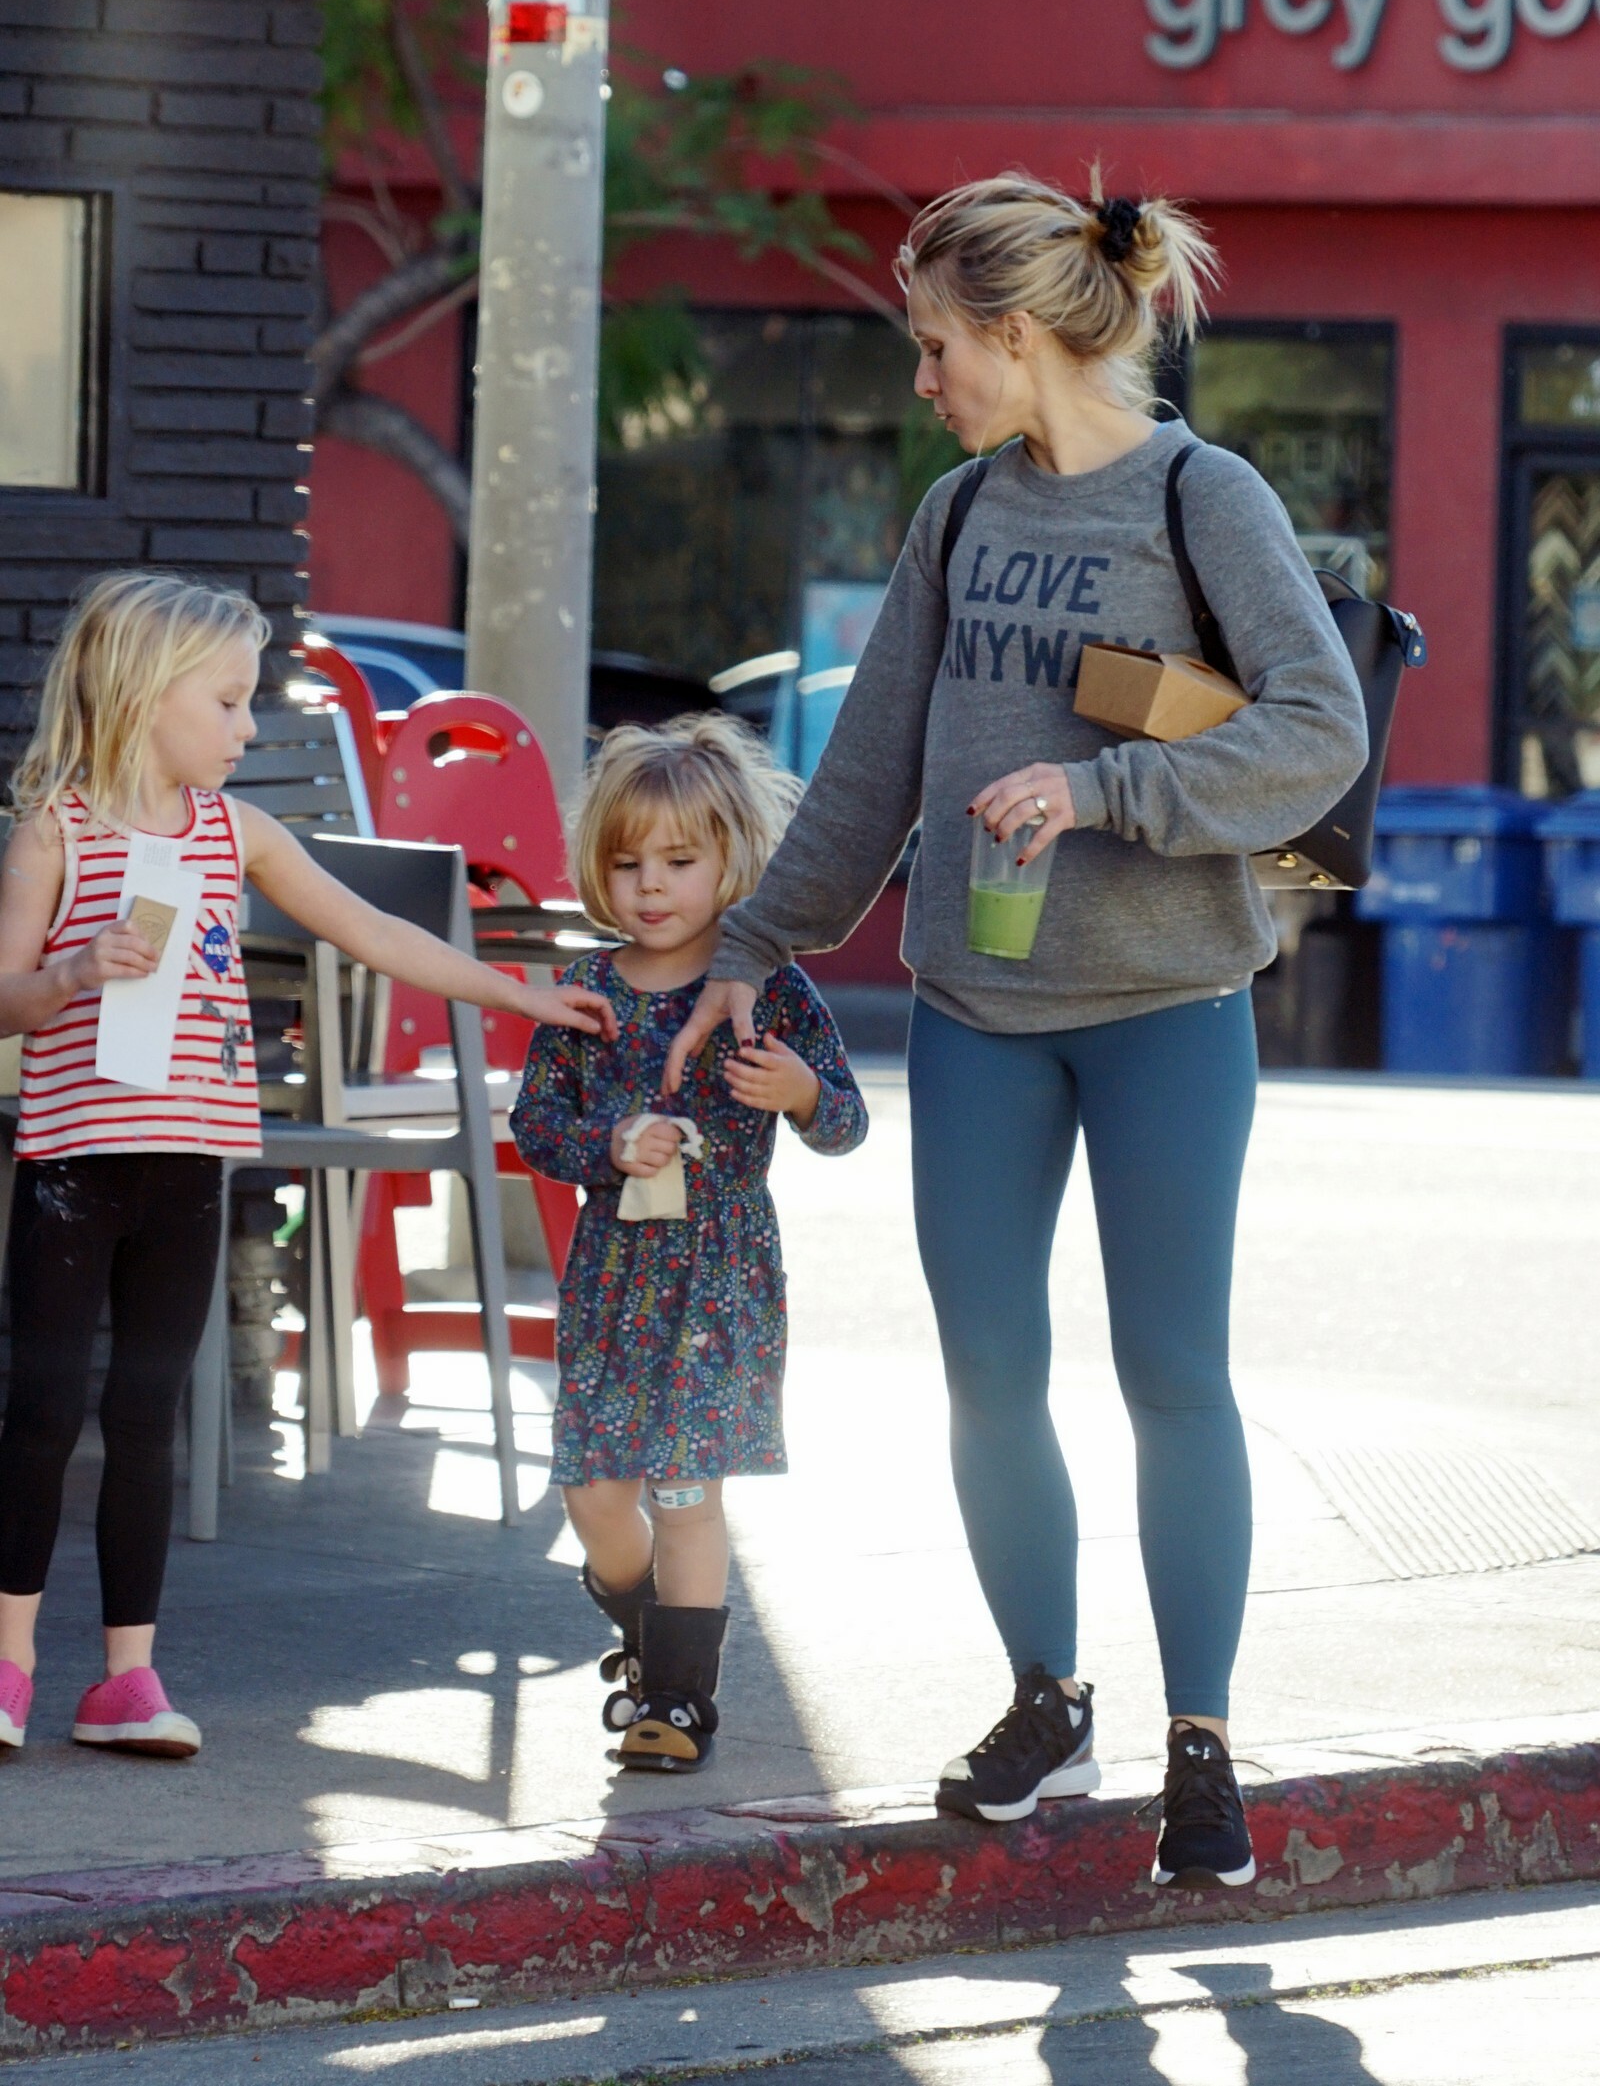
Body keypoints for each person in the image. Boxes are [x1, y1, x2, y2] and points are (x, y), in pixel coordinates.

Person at [664, 174, 1369, 1885]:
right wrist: (754, 937)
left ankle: (1202, 1743)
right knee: (987, 1371)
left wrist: (1109, 785)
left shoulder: (1203, 495)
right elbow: (872, 765)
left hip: (1167, 1005)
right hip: (978, 1011)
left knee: (1169, 1371)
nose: (923, 382)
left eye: (936, 349)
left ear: (1020, 333)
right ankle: (1046, 1694)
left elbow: (1319, 727)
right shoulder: (961, 513)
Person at [0, 572, 618, 1759]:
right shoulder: (56, 832)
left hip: (190, 1168)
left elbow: (376, 932)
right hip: (75, 1164)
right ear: (143, 693)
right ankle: (11, 1660)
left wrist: (520, 995)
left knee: (148, 1413)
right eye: (229, 701)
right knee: (40, 1409)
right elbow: (5, 995)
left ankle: (126, 1676)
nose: (247, 727)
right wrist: (75, 971)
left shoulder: (237, 833)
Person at [510, 716, 866, 1773]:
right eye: (628, 863)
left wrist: (799, 1090)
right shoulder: (589, 990)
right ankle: (647, 1628)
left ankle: (675, 1698)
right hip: (612, 1280)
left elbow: (845, 1122)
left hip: (720, 1279)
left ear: (731, 861)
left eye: (677, 860)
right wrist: (609, 1142)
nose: (651, 885)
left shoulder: (770, 985)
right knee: (595, 1495)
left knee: (686, 1490)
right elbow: (537, 1124)